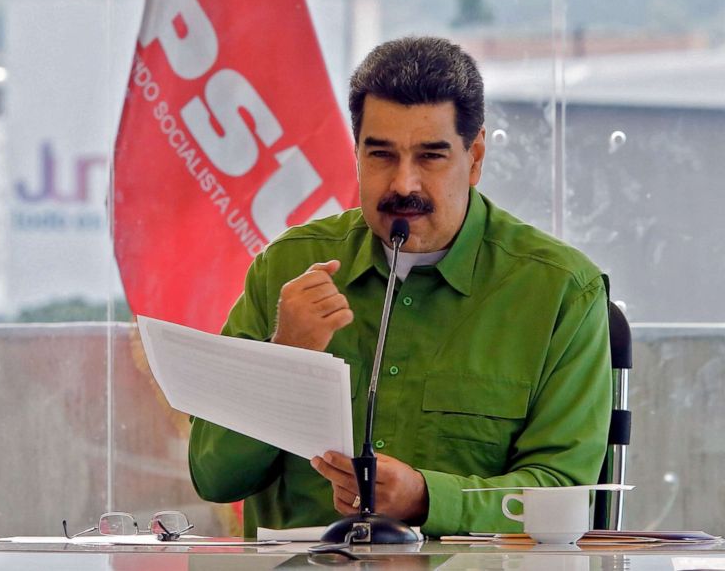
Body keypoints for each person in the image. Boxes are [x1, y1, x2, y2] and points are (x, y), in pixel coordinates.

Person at [188, 36, 612, 538]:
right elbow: (213, 476)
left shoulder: (559, 291)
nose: (404, 184)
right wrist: (286, 357)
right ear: (357, 155)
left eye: (431, 156)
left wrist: (427, 498)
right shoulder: (289, 267)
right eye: (381, 155)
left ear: (474, 157)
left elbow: (562, 491)